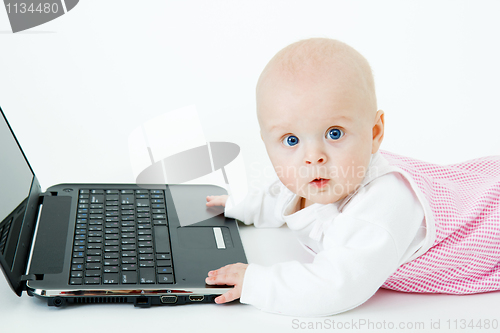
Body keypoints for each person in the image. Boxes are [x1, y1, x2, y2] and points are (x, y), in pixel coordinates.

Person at [204, 38, 500, 316]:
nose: (313, 156)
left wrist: (256, 283)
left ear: (374, 133)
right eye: (291, 140)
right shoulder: (318, 175)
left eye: (334, 134)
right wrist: (237, 207)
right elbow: (281, 195)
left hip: (488, 229)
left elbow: (335, 286)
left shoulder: (379, 210)